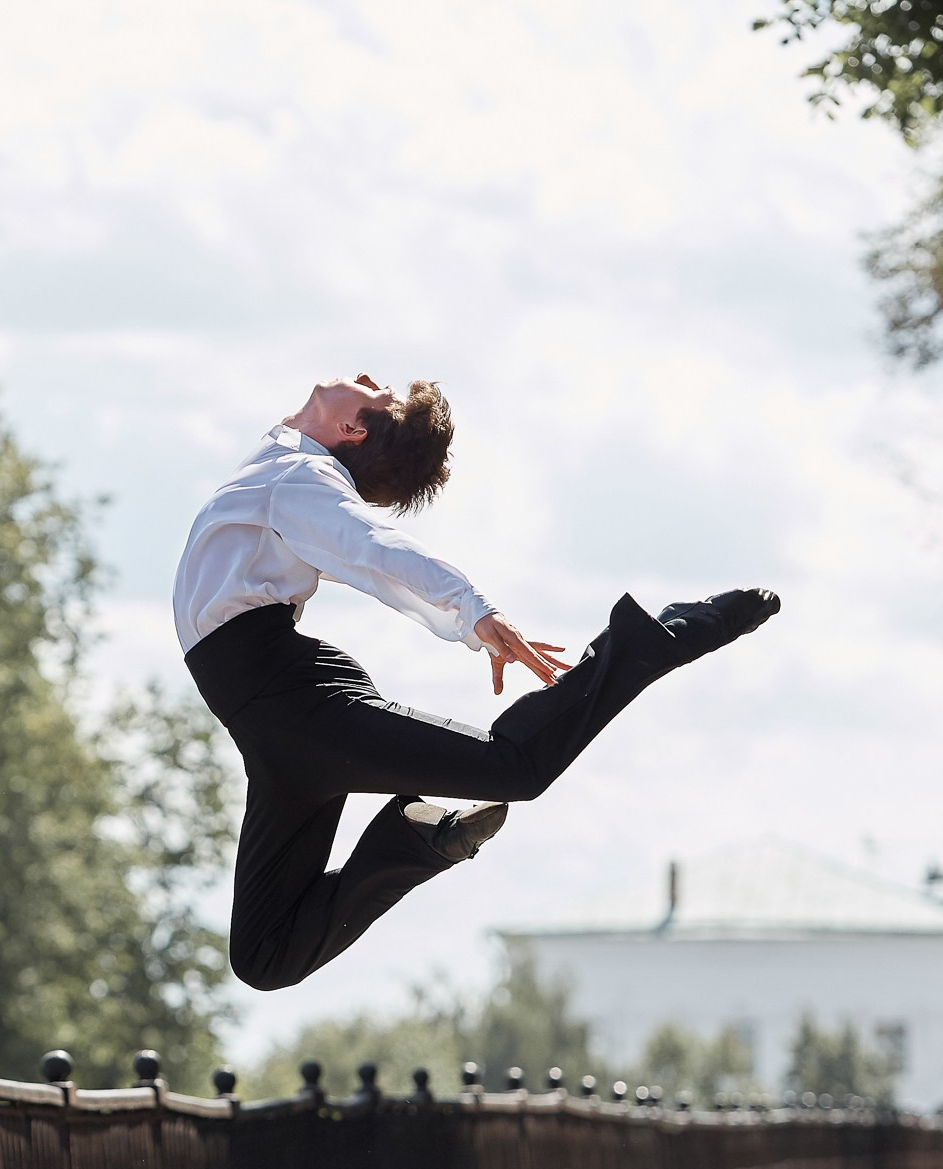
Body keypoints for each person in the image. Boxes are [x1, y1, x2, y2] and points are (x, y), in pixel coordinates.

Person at [176, 375, 780, 991]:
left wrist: (471, 608)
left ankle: (661, 637)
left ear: (353, 429)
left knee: (518, 768)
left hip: (295, 708)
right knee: (264, 958)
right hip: (273, 735)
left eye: (378, 396)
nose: (369, 381)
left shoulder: (300, 480)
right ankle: (416, 840)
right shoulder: (284, 458)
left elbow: (372, 546)